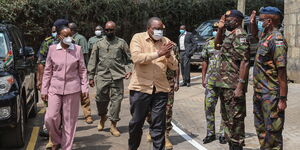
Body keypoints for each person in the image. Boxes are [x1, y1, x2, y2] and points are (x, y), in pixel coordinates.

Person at [128, 17, 178, 150]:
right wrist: (158, 53)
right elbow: (137, 58)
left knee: (158, 125)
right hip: (140, 88)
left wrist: (168, 56)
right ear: (148, 29)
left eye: (161, 29)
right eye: (156, 29)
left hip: (160, 89)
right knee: (136, 123)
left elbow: (174, 66)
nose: (159, 32)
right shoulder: (138, 38)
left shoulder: (166, 41)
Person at [41, 25, 88, 150]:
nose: (68, 38)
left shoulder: (77, 49)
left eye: (70, 35)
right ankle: (56, 139)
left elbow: (82, 70)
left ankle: (67, 146)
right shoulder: (52, 49)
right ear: (60, 36)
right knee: (50, 117)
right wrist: (44, 89)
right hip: (54, 88)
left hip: (72, 89)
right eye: (65, 35)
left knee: (69, 120)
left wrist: (85, 88)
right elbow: (47, 71)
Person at [250, 7, 287, 150]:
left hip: (271, 95)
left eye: (261, 20)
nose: (260, 22)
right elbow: (254, 35)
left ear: (269, 21)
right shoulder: (265, 35)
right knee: (261, 130)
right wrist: (253, 22)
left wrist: (282, 98)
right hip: (259, 92)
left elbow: (282, 72)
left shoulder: (277, 39)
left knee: (273, 133)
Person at [88, 21, 132, 137]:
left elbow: (129, 59)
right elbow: (93, 60)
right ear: (104, 30)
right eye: (107, 30)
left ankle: (113, 125)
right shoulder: (98, 44)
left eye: (111, 30)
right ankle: (102, 117)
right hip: (102, 76)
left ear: (114, 30)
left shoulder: (121, 43)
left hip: (117, 76)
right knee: (100, 100)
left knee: (116, 101)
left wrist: (129, 70)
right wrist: (91, 76)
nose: (109, 32)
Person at [214, 10, 250, 150]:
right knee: (227, 119)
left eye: (229, 20)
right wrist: (220, 29)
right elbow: (217, 45)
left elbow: (245, 62)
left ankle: (236, 146)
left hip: (233, 85)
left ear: (237, 20)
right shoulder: (230, 35)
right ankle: (232, 145)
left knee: (235, 120)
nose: (226, 21)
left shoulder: (240, 35)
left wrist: (240, 87)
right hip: (225, 84)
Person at [37, 19, 68, 149]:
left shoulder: (71, 43)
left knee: (63, 113)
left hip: (67, 84)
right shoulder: (48, 42)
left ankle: (62, 139)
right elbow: (41, 62)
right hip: (51, 83)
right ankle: (53, 138)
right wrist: (41, 80)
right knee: (52, 112)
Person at [146, 43, 180, 150]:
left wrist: (177, 81)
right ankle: (152, 129)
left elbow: (176, 65)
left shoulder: (173, 46)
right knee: (150, 109)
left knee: (167, 108)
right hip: (152, 81)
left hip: (168, 81)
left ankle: (166, 135)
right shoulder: (147, 44)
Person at [201, 22, 226, 144]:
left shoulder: (229, 42)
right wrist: (203, 77)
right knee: (209, 107)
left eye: (219, 29)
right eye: (215, 29)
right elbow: (205, 61)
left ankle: (223, 133)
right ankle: (210, 133)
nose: (217, 30)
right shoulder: (208, 43)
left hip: (226, 82)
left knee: (225, 109)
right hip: (211, 81)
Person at [68, 22, 93, 124]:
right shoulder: (66, 39)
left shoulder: (80, 39)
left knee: (84, 94)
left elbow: (85, 54)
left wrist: (87, 70)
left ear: (72, 30)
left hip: (79, 68)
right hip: (70, 70)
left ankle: (87, 115)